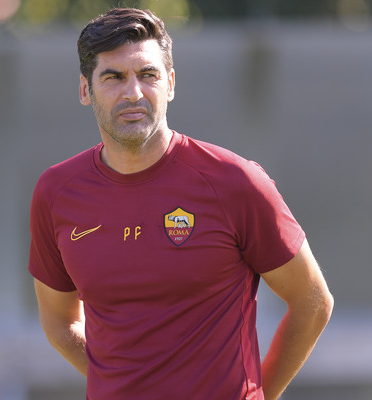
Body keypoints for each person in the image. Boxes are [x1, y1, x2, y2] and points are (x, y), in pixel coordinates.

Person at [29, 7, 333, 400]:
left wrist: (261, 393)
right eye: (113, 77)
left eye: (148, 74)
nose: (133, 92)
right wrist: (119, 382)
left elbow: (312, 302)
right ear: (86, 90)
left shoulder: (234, 182)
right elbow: (59, 322)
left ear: (170, 83)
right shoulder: (56, 192)